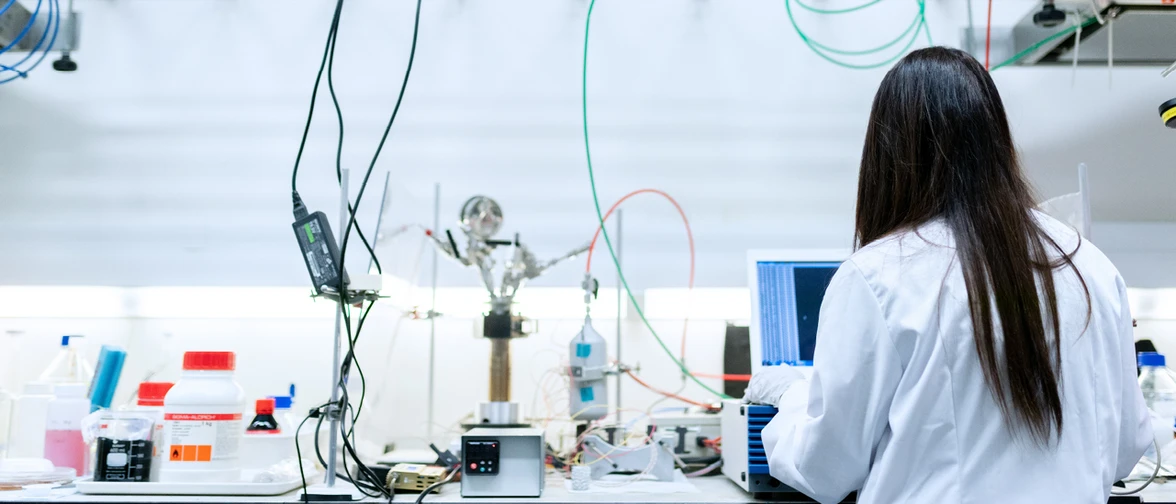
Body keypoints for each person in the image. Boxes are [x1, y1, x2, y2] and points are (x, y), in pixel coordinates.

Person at [745, 47, 1151, 504]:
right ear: (997, 140)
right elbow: (1124, 451)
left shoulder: (879, 276)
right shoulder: (1086, 264)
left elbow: (825, 468)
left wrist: (790, 397)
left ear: (888, 153)